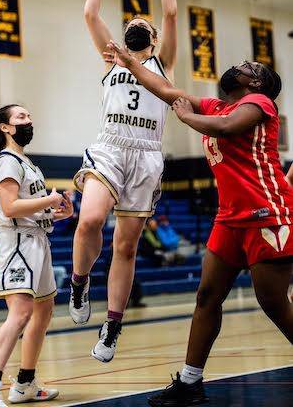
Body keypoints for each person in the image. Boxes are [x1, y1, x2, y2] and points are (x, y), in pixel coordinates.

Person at [104, 45, 293, 406]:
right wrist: (131, 64)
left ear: (256, 82)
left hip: (266, 213)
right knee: (207, 296)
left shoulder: (261, 104)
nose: (238, 64)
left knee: (271, 300)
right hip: (229, 218)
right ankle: (190, 382)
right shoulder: (217, 105)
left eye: (246, 65)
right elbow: (166, 90)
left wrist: (187, 119)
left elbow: (225, 127)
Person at [69, 0, 177, 363]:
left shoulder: (162, 62)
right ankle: (79, 283)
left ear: (151, 38)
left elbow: (169, 13)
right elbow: (90, 14)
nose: (136, 24)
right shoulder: (112, 57)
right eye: (130, 20)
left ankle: (112, 326)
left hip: (147, 154)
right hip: (111, 147)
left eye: (142, 23)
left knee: (127, 247)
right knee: (91, 219)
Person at [0, 104, 73, 407]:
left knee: (44, 312)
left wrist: (57, 213)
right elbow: (11, 207)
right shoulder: (7, 162)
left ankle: (25, 383)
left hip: (36, 241)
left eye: (29, 115)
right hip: (16, 245)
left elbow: (31, 210)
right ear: (5, 127)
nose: (29, 121)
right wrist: (50, 198)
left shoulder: (27, 163)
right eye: (21, 117)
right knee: (21, 314)